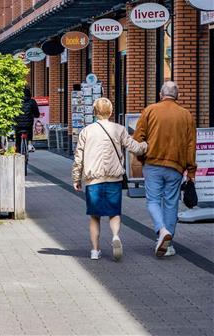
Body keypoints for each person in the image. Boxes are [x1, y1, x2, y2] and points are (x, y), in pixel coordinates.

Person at [72, 98, 147, 261]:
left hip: (93, 180)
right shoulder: (119, 129)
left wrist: (76, 178)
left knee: (94, 216)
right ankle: (115, 236)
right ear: (111, 112)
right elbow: (135, 148)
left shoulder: (86, 131)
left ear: (95, 112)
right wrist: (146, 146)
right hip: (114, 178)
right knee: (114, 212)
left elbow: (79, 157)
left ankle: (94, 250)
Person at [133, 81, 197, 257]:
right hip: (176, 166)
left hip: (152, 163)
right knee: (171, 202)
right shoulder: (186, 115)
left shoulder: (150, 110)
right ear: (177, 96)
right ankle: (168, 245)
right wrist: (191, 171)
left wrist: (141, 158)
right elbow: (191, 145)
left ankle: (161, 231)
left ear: (161, 94)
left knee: (153, 200)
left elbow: (138, 138)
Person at [14, 88, 40, 153]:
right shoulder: (32, 102)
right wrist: (36, 115)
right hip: (28, 124)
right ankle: (29, 144)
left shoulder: (16, 101)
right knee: (29, 130)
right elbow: (37, 113)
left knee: (18, 138)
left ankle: (18, 150)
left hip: (18, 124)